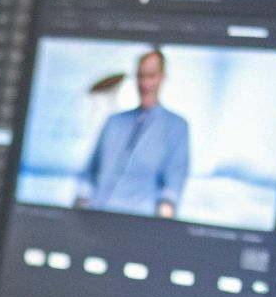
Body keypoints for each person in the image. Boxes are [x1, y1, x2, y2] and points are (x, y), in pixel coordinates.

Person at [74, 49, 190, 219]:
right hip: (97, 217)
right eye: (140, 76)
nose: (145, 83)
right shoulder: (114, 122)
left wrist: (164, 221)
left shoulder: (176, 126)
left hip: (138, 223)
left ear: (162, 78)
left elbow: (173, 182)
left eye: (151, 76)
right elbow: (91, 171)